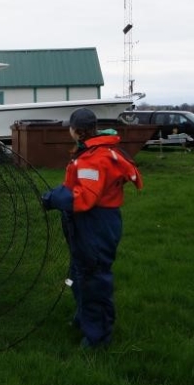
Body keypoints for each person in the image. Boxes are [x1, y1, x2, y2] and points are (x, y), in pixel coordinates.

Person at [41, 107, 143, 349]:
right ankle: (84, 317)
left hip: (95, 225)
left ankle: (98, 337)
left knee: (93, 279)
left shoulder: (94, 159)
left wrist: (53, 199)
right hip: (87, 225)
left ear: (76, 131)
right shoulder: (93, 152)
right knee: (78, 274)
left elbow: (83, 198)